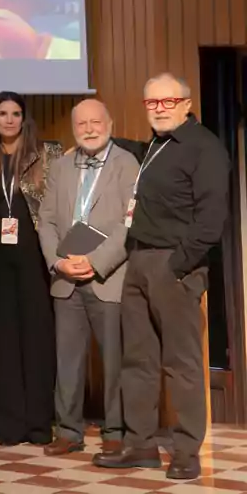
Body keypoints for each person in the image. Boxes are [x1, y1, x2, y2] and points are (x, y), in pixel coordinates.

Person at [95, 74, 230, 480]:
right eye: (151, 102)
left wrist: (177, 266)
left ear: (187, 104)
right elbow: (138, 155)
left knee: (182, 364)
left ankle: (187, 452)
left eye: (168, 101)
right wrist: (101, 139)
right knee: (138, 361)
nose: (159, 107)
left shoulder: (204, 147)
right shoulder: (156, 144)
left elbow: (210, 221)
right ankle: (141, 446)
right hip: (138, 261)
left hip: (175, 265)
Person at [38, 98, 135, 456]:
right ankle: (68, 430)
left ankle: (115, 431)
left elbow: (131, 222)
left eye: (96, 122)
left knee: (113, 358)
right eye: (82, 124)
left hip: (107, 277)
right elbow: (46, 220)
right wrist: (57, 262)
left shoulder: (127, 164)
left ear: (109, 124)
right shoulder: (61, 167)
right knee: (68, 359)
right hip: (65, 278)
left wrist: (96, 261)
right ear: (73, 129)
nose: (90, 129)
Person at [0, 92, 60, 446]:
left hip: (35, 262)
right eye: (3, 113)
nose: (9, 120)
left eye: (16, 114)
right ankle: (9, 426)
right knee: (4, 344)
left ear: (24, 119)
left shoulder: (47, 155)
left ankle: (39, 425)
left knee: (38, 343)